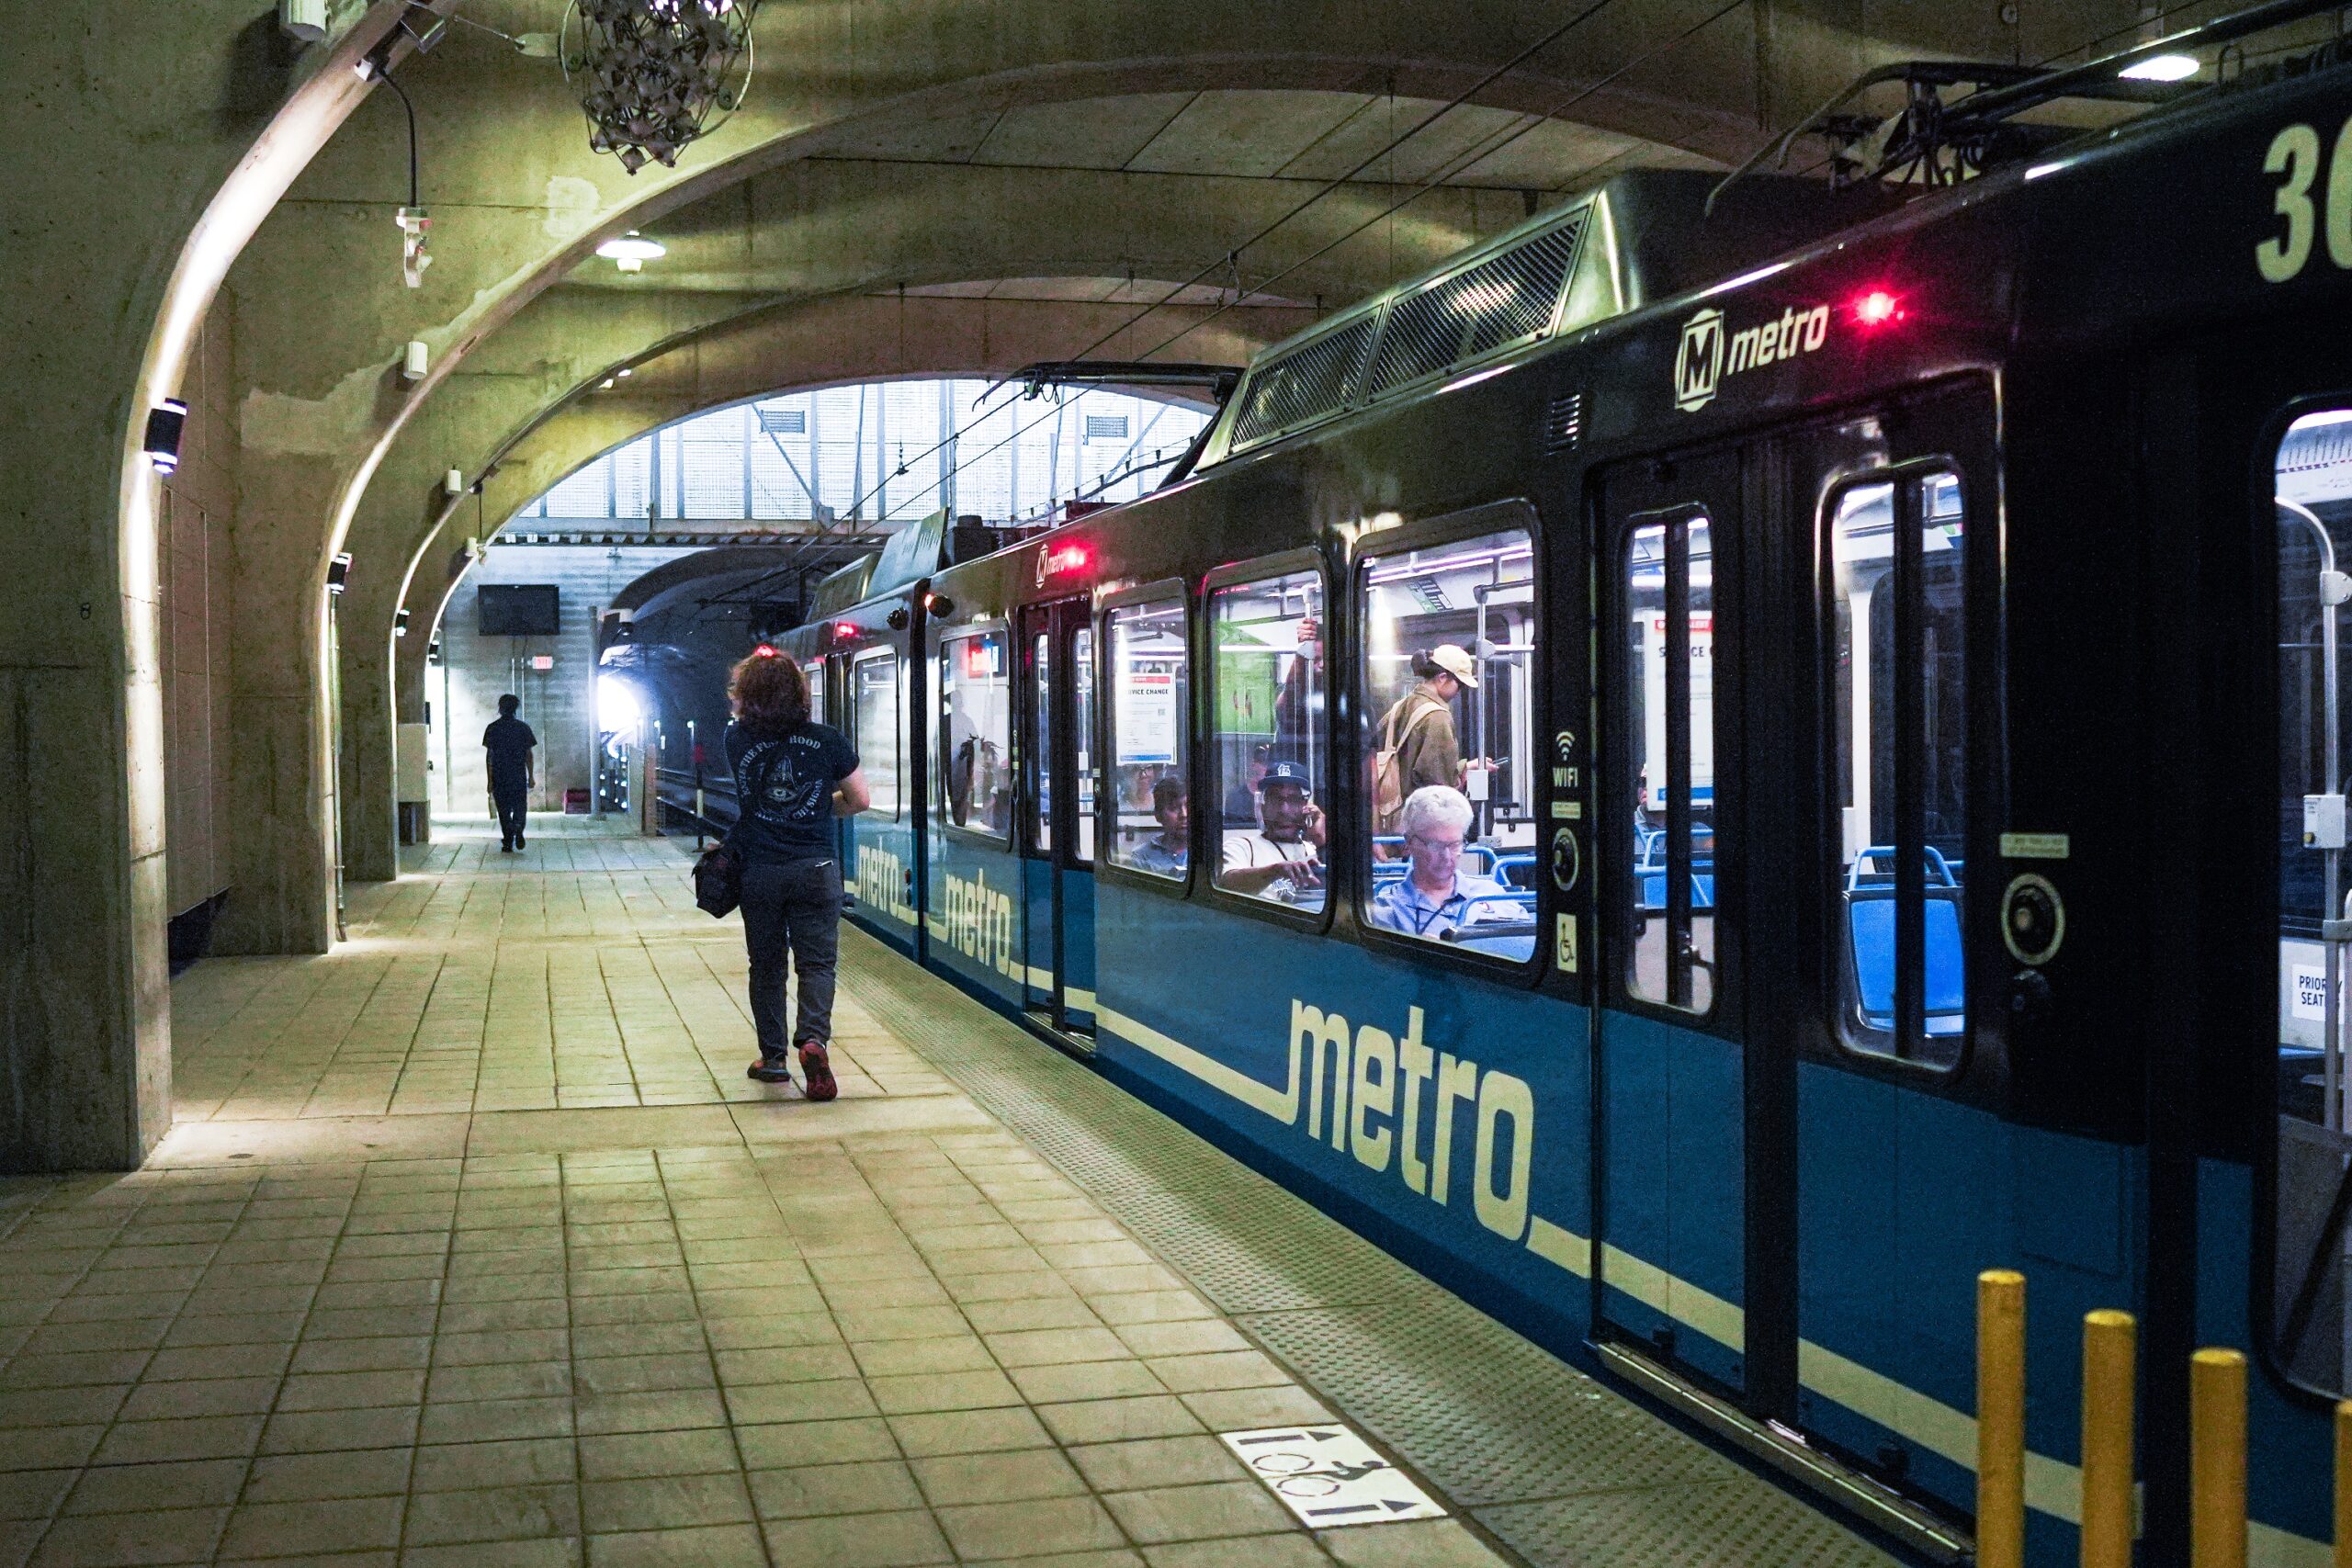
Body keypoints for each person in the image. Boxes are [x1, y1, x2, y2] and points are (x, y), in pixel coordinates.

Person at [723, 647, 869, 1101]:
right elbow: (860, 799)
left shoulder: (736, 739)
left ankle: (772, 1060)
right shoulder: (827, 739)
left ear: (744, 695)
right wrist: (821, 807)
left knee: (766, 966)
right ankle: (812, 1042)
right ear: (801, 693)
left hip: (761, 870)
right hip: (816, 868)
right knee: (817, 964)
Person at [1368, 786, 1515, 940]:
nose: (1446, 856)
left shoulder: (1494, 894)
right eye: (1435, 845)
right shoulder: (1388, 912)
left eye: (1455, 844)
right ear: (1409, 843)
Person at [1220, 761, 1326, 905]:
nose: (1284, 810)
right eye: (1275, 799)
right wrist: (1274, 872)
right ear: (1262, 806)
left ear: (1306, 806)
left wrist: (1321, 840)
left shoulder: (1315, 849)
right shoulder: (1242, 847)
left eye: (1294, 800)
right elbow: (1226, 884)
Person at [481, 694, 537, 852]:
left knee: (503, 810)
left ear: (500, 708)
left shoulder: (492, 729)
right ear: (515, 709)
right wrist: (531, 776)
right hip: (518, 776)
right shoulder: (523, 728)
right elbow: (529, 754)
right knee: (520, 806)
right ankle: (518, 826)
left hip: (499, 776)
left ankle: (507, 841)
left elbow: (489, 757)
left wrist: (489, 780)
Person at [1129, 776, 1189, 875]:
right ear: (1158, 815)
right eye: (1174, 808)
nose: (1184, 815)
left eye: (1189, 806)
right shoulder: (1142, 857)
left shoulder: (1208, 853)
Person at [1223, 744, 1271, 826]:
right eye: (1263, 763)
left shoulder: (1282, 799)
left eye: (1271, 764)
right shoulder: (1235, 797)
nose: (1267, 768)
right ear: (1253, 765)